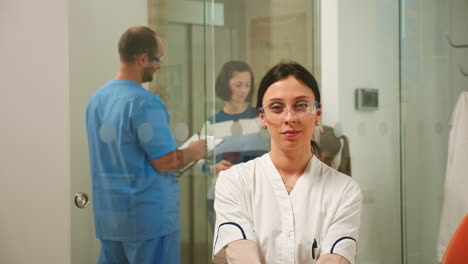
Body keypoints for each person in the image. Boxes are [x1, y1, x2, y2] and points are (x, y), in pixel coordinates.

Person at [212, 62, 362, 264]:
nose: (289, 118)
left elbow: (336, 258)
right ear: (262, 117)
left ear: (317, 114)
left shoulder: (344, 190)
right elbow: (240, 253)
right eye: (277, 107)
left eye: (301, 105)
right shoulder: (234, 181)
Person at [86, 26, 205, 264]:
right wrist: (195, 151)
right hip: (148, 222)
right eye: (158, 59)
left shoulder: (96, 100)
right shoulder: (144, 102)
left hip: (111, 219)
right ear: (143, 59)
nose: (159, 66)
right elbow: (165, 162)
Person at [199, 61, 269, 229]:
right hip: (222, 197)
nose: (243, 90)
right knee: (226, 252)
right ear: (225, 85)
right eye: (238, 85)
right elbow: (198, 162)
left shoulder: (261, 117)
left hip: (258, 197)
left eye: (247, 85)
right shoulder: (212, 123)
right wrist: (214, 167)